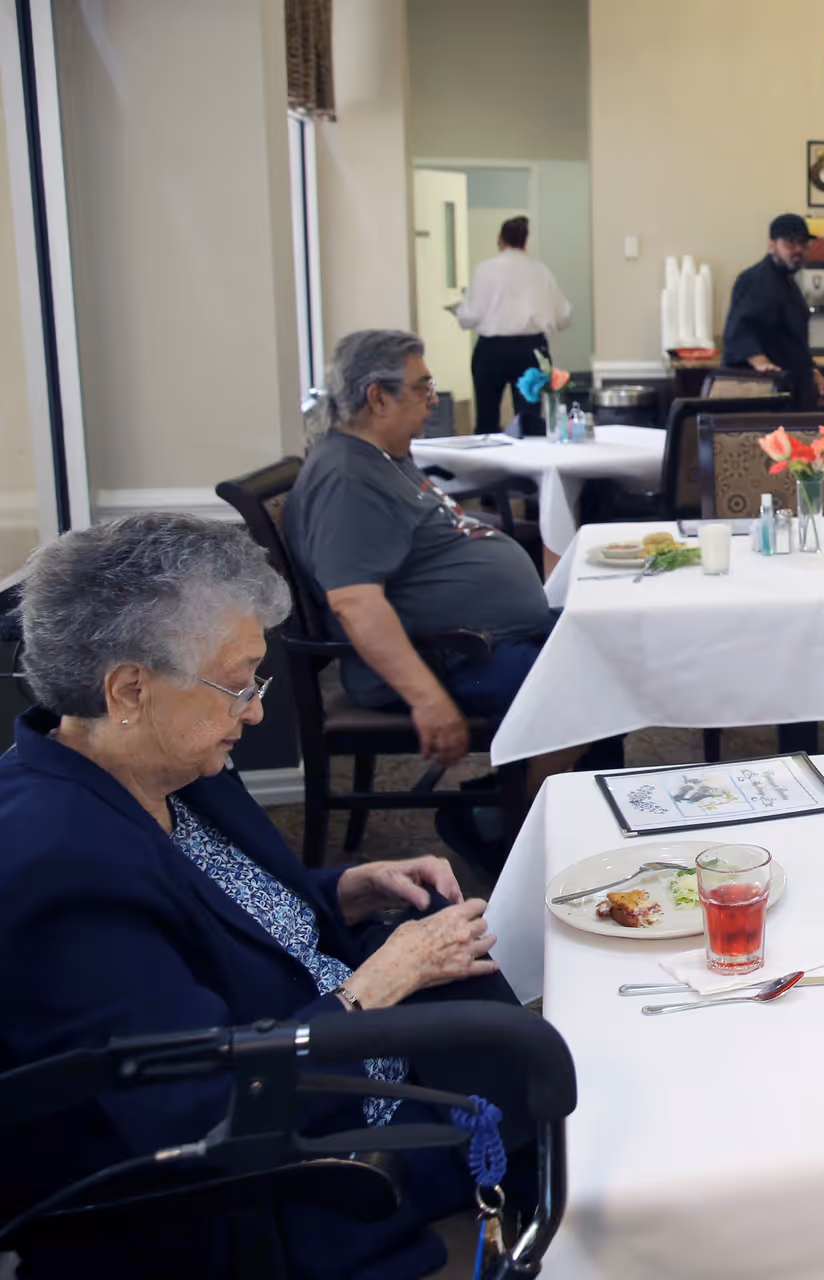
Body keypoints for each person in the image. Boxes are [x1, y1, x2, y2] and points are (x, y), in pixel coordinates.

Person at [0, 513, 513, 1279]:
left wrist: (347, 888)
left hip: (339, 1064)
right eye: (238, 685)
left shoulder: (161, 763)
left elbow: (211, 915)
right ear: (130, 689)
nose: (257, 710)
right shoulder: (57, 864)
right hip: (292, 1180)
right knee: (582, 1112)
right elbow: (197, 1114)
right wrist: (383, 980)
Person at [283, 331, 617, 846]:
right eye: (422, 388)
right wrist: (428, 699)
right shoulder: (347, 478)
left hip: (476, 640)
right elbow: (354, 602)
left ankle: (556, 816)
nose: (432, 400)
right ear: (377, 397)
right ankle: (504, 821)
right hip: (447, 656)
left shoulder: (384, 457)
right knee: (594, 679)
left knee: (609, 646)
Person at [454, 215, 572, 435]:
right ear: (525, 242)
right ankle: (528, 467)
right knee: (530, 421)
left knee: (487, 419)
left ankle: (488, 466)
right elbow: (564, 315)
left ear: (499, 239)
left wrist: (459, 311)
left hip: (491, 350)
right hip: (532, 350)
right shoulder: (540, 272)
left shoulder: (485, 270)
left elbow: (470, 316)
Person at [721, 212, 824, 410]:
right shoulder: (754, 279)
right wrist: (761, 363)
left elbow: (793, 338)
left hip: (790, 388)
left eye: (804, 243)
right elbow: (740, 329)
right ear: (772, 245)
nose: (798, 249)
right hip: (763, 392)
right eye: (790, 243)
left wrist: (813, 374)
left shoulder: (789, 283)